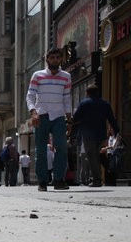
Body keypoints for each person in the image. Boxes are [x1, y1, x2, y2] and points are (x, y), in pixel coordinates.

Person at [27, 47, 73, 191]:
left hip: (58, 116)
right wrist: (33, 112)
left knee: (62, 148)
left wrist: (69, 119)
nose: (55, 60)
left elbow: (67, 98)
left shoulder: (66, 76)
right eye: (52, 57)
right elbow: (30, 95)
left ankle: (58, 180)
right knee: (40, 151)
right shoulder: (37, 75)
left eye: (57, 57)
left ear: (61, 59)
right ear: (47, 59)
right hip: (41, 116)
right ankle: (42, 182)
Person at [72, 84, 120, 187]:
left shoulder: (84, 103)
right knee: (99, 156)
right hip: (102, 135)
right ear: (98, 92)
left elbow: (75, 118)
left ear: (87, 93)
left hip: (89, 135)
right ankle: (104, 178)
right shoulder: (105, 104)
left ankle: (97, 180)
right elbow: (111, 118)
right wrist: (116, 131)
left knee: (92, 157)